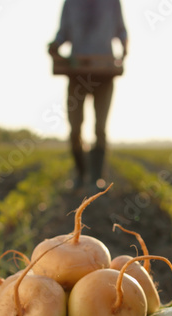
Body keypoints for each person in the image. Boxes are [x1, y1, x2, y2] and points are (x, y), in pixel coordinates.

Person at [48, 0, 127, 188]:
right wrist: (55, 45)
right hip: (78, 75)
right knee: (75, 129)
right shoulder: (71, 3)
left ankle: (96, 178)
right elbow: (63, 34)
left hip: (104, 73)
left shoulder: (112, 3)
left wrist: (125, 48)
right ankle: (80, 174)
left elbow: (121, 31)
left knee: (100, 128)